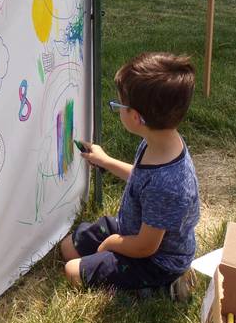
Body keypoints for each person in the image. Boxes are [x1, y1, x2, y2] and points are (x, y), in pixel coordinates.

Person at [60, 52, 200, 301]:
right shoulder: (160, 141)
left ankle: (160, 288)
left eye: (118, 105)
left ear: (136, 117)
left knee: (72, 272)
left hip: (155, 260)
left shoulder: (167, 185)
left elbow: (146, 246)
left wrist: (113, 243)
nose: (117, 108)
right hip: (131, 228)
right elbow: (141, 178)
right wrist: (106, 161)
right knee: (68, 249)